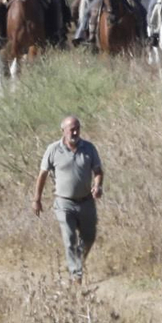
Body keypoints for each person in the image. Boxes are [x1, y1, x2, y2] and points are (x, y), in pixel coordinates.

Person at [32, 116, 104, 283]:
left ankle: (78, 262)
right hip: (64, 203)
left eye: (77, 128)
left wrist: (98, 185)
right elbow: (42, 175)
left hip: (86, 201)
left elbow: (98, 171)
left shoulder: (89, 148)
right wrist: (37, 198)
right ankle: (76, 274)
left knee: (89, 237)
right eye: (71, 129)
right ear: (63, 130)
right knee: (69, 238)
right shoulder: (53, 150)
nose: (75, 132)